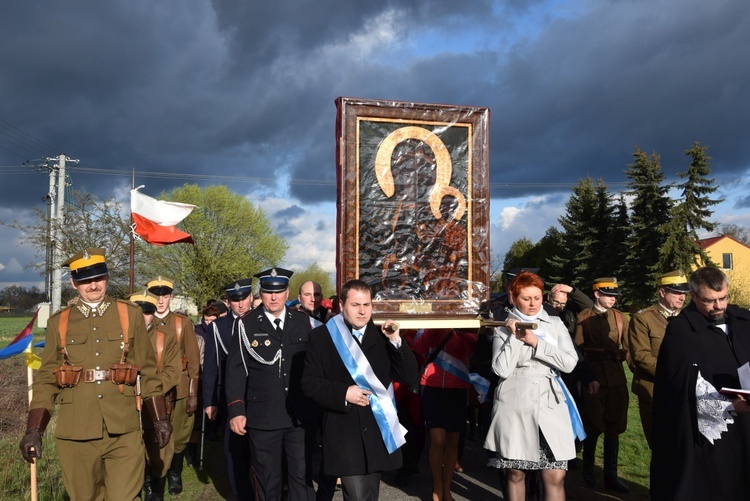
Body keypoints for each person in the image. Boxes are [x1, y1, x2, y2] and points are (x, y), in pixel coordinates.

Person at [19, 248, 172, 500]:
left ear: (107, 277)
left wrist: (159, 419)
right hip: (76, 433)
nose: (93, 286)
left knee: (126, 496)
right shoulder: (59, 322)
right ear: (73, 283)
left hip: (124, 429)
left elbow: (148, 371)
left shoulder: (130, 314)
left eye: (98, 278)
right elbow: (47, 379)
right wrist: (34, 429)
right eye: (84, 280)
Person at [302, 279, 419, 501]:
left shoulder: (383, 336)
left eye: (366, 305)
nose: (362, 311)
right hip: (343, 432)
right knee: (357, 496)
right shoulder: (322, 337)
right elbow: (310, 383)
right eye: (355, 305)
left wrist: (396, 340)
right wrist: (343, 393)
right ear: (341, 305)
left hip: (377, 431)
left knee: (369, 496)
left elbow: (408, 376)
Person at [651, 266, 750, 499]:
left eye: (723, 298)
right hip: (713, 436)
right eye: (710, 300)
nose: (719, 306)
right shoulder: (682, 332)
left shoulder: (745, 320)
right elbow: (677, 391)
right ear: (693, 296)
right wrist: (730, 406)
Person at [484, 271, 579, 501]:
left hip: (550, 405)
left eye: (537, 298)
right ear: (513, 297)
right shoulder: (501, 326)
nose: (533, 303)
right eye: (526, 298)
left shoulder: (554, 323)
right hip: (515, 406)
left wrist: (536, 342)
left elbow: (569, 363)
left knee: (555, 475)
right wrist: (516, 337)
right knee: (516, 474)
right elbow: (501, 370)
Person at [225, 267, 316, 501]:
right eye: (268, 292)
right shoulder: (246, 324)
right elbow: (235, 371)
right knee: (267, 480)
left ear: (287, 293)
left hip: (299, 416)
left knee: (301, 479)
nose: (273, 297)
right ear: (261, 293)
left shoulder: (304, 321)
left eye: (279, 291)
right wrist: (236, 410)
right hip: (263, 417)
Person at [574, 277, 629, 492]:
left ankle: (611, 475)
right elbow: (577, 351)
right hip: (593, 378)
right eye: (608, 295)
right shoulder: (583, 317)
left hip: (616, 378)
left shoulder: (620, 317)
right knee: (593, 424)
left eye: (615, 295)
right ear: (596, 294)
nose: (613, 299)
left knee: (614, 426)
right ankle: (589, 469)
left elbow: (628, 347)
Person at [147, 276, 201, 495]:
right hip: (152, 390)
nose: (161, 301)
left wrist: (193, 394)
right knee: (151, 436)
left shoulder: (182, 323)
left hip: (178, 389)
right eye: (156, 296)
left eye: (165, 296)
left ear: (171, 297)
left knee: (178, 436)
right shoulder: (142, 321)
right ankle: (152, 480)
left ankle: (175, 474)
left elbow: (194, 362)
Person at [203, 278, 255, 500]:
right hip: (230, 397)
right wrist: (209, 401)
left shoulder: (261, 320)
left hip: (258, 397)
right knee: (233, 450)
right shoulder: (218, 327)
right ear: (228, 301)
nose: (240, 304)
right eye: (235, 300)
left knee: (260, 450)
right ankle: (238, 494)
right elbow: (211, 367)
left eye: (244, 298)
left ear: (251, 297)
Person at [412, 328, 477, 501]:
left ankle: (446, 487)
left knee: (452, 441)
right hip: (432, 385)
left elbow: (472, 346)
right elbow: (418, 346)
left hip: (458, 385)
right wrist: (436, 327)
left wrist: (462, 330)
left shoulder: (464, 319)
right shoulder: (434, 319)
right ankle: (437, 485)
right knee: (438, 439)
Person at [625, 270, 688, 448]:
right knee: (660, 445)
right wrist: (674, 373)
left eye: (684, 293)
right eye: (677, 292)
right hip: (654, 389)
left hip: (683, 390)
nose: (682, 298)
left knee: (682, 444)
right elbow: (641, 356)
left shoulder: (687, 317)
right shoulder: (643, 318)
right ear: (662, 292)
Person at [130, 290, 183, 501]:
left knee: (159, 452)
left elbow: (173, 372)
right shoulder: (121, 338)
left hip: (157, 404)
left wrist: (148, 387)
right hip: (127, 407)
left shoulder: (165, 339)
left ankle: (155, 486)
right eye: (139, 312)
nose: (144, 317)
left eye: (148, 311)